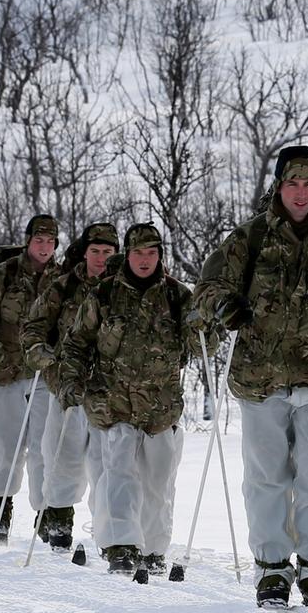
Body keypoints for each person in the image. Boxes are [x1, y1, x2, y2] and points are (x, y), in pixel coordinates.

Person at [195, 144, 308, 609]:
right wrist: (224, 305)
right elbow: (207, 288)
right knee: (267, 478)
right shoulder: (250, 238)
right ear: (278, 187)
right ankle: (272, 568)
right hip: (261, 376)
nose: (301, 193)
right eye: (292, 183)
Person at [60, 223, 209, 576]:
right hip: (114, 402)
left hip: (161, 407)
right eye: (139, 253)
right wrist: (72, 377)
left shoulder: (177, 296)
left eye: (152, 253)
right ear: (127, 254)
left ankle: (154, 550)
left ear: (160, 255)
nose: (145, 260)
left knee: (158, 483)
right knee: (119, 476)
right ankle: (120, 545)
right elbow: (78, 341)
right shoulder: (105, 294)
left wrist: (208, 326)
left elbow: (201, 345)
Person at [23, 222, 122, 553]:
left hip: (110, 390)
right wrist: (39, 351)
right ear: (84, 252)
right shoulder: (63, 286)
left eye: (108, 252)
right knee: (62, 455)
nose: (101, 258)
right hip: (66, 384)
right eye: (95, 251)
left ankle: (109, 533)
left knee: (105, 463)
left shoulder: (123, 288)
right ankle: (59, 520)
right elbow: (34, 326)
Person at [0, 214, 64, 543]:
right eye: (38, 240)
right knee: (2, 444)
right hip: (6, 369)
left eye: (50, 242)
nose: (44, 247)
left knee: (45, 446)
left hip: (44, 371)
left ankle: (46, 515)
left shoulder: (61, 276)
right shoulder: (3, 274)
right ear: (28, 241)